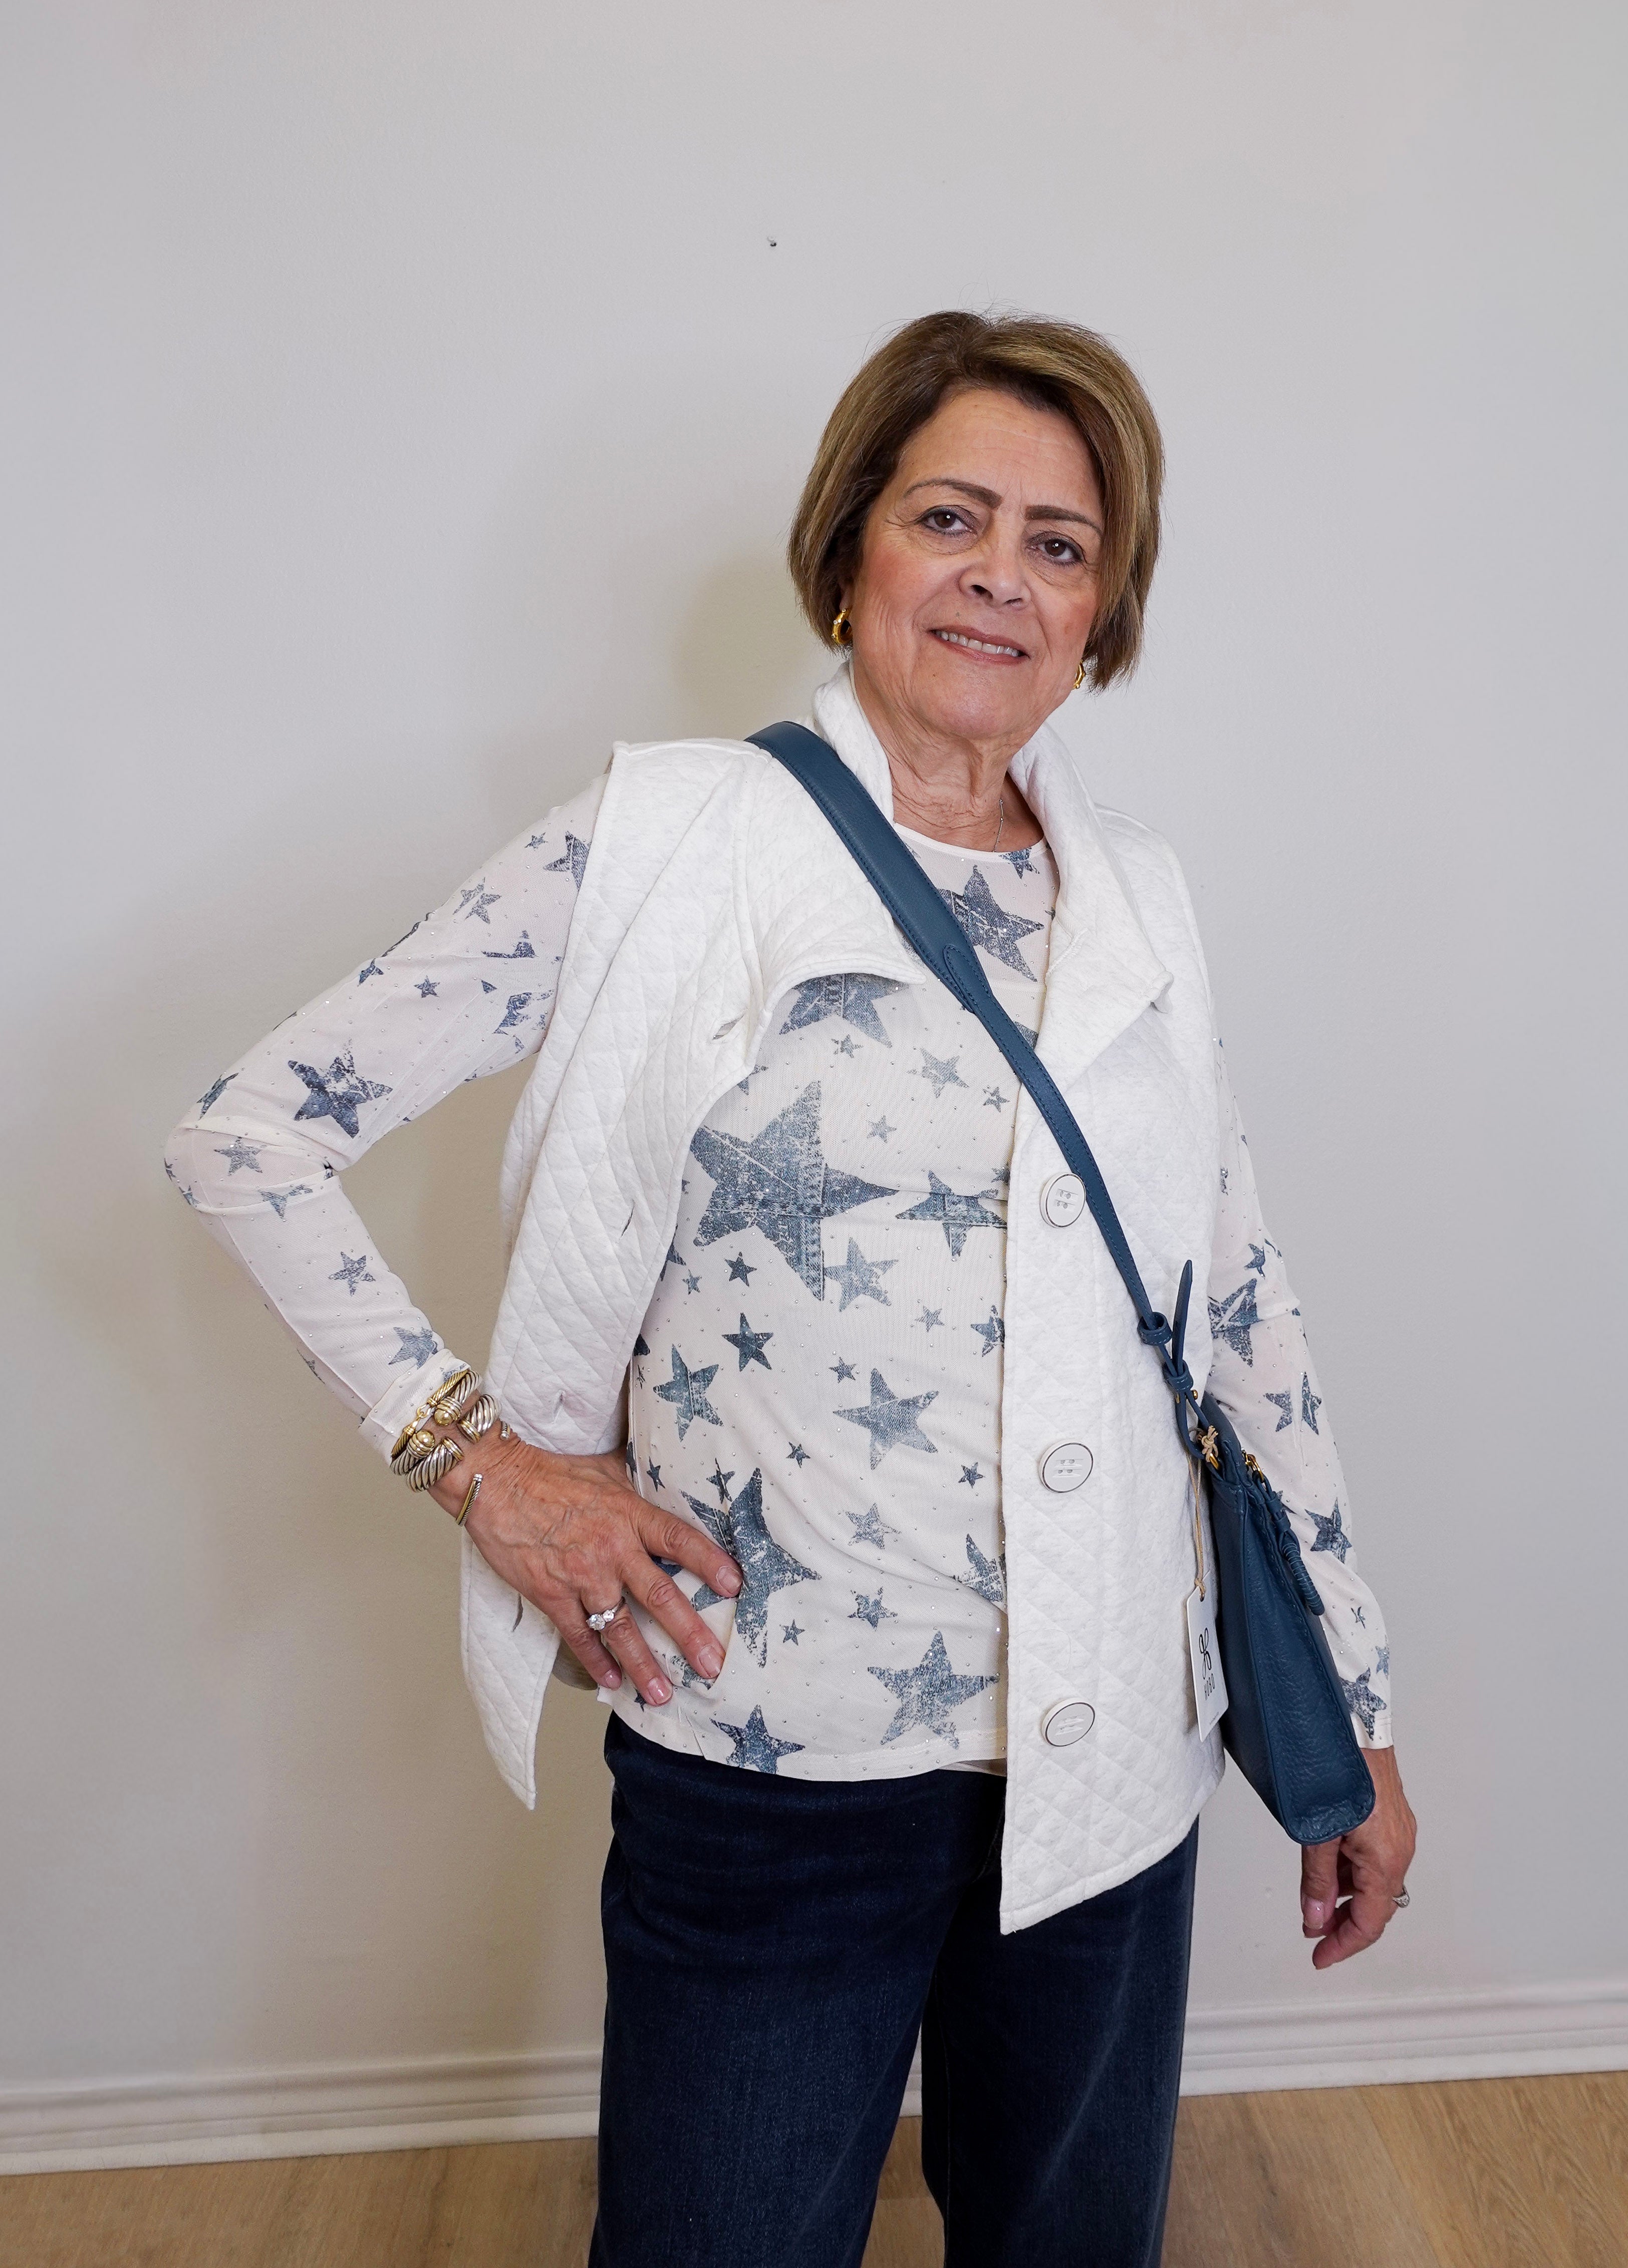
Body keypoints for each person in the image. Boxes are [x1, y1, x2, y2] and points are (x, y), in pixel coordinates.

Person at [167, 310, 1417, 2268]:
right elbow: (251, 1131)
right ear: (853, 550)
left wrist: (1346, 1712)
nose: (1005, 572)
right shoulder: (672, 840)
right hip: (772, 1750)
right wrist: (475, 1453)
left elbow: (1237, 1319)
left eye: (1062, 542)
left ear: (1105, 609)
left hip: (1108, 1748)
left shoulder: (1143, 900)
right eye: (952, 515)